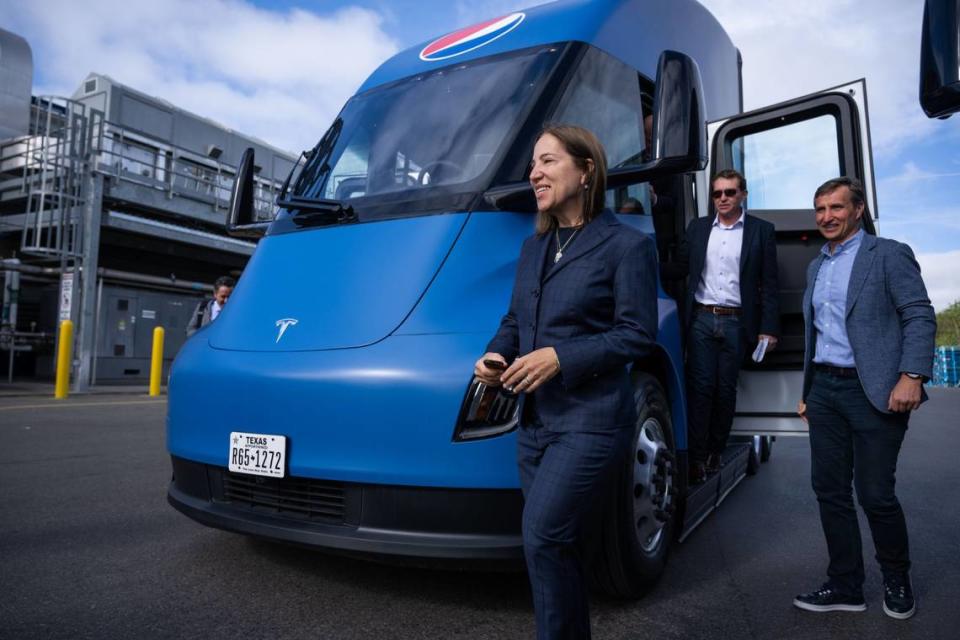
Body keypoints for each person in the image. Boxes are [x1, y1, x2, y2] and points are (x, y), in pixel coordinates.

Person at [474, 124, 658, 640]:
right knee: (562, 550)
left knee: (543, 538)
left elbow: (638, 334)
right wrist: (495, 353)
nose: (534, 173)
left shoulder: (626, 246)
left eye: (549, 161)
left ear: (586, 170)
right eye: (533, 164)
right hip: (534, 424)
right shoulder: (535, 247)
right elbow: (515, 320)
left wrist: (561, 357)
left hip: (591, 421)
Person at [794, 177, 936, 620]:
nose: (827, 217)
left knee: (874, 493)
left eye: (836, 207)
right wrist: (807, 393)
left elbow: (918, 313)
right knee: (829, 491)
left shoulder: (888, 253)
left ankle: (896, 577)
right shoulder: (815, 266)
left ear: (857, 210)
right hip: (825, 390)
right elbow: (816, 332)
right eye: (820, 209)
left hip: (874, 389)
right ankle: (845, 585)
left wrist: (911, 375)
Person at [670, 169, 779, 484]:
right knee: (700, 389)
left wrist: (768, 329)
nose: (723, 199)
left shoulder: (761, 231)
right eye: (717, 193)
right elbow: (679, 266)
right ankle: (697, 458)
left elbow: (769, 285)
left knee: (724, 391)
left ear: (743, 194)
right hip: (702, 318)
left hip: (737, 323)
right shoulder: (699, 228)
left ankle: (716, 451)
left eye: (729, 192)